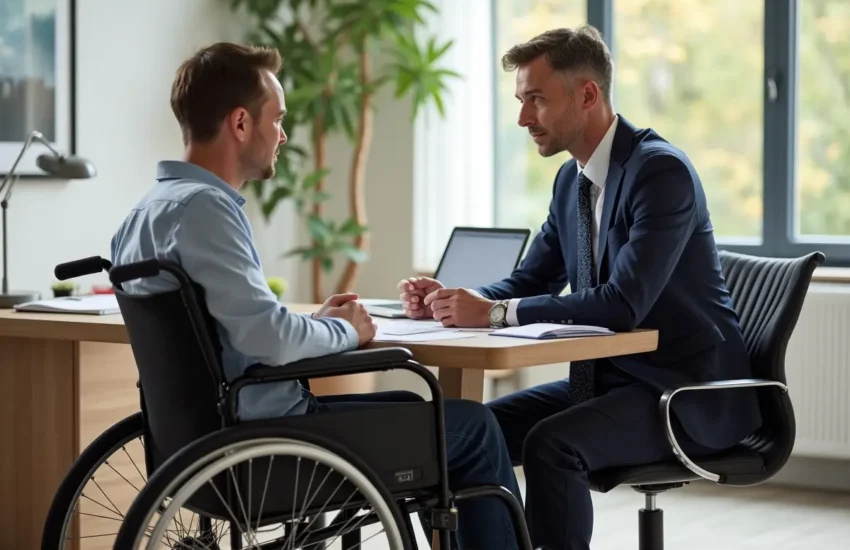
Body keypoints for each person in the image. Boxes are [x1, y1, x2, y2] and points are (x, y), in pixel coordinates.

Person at [110, 42, 522, 549]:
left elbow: (224, 335)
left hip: (193, 445)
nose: (283, 134)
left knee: (414, 407)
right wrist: (348, 329)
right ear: (241, 124)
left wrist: (319, 326)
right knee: (474, 427)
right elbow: (268, 341)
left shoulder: (143, 213)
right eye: (277, 118)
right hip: (270, 444)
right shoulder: (207, 210)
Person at [398, 25, 762, 550]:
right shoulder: (573, 179)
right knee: (474, 432)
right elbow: (530, 279)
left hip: (683, 392)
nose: (523, 117)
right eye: (522, 101)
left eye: (537, 100)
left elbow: (623, 304)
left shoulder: (660, 173)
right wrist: (450, 300)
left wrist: (496, 315)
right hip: (612, 381)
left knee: (553, 443)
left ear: (587, 94)